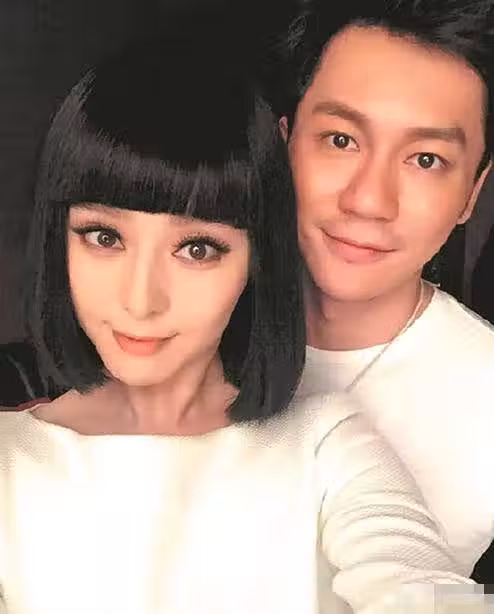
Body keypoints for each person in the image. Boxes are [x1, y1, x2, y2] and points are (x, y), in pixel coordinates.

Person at [0, 23, 480, 614]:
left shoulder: (329, 441)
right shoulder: (11, 457)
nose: (141, 300)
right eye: (103, 237)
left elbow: (419, 582)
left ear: (255, 259)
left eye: (197, 249)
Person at [273, 0, 494, 578]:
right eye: (341, 140)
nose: (369, 200)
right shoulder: (171, 320)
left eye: (426, 159)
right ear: (284, 142)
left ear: (472, 193)